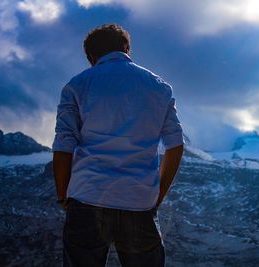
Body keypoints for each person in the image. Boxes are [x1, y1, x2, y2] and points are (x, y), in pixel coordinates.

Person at [52, 23, 184, 267]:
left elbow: (63, 144)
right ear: (127, 48)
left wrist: (63, 196)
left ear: (92, 57)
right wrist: (158, 195)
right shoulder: (159, 87)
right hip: (139, 201)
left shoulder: (76, 85)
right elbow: (175, 145)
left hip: (87, 198)